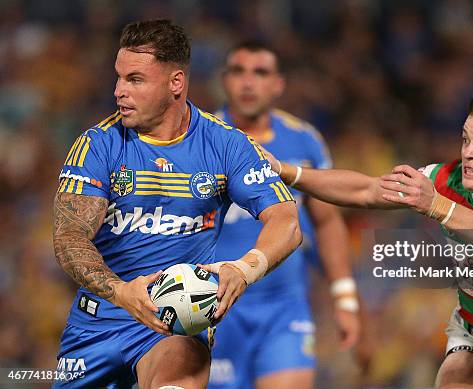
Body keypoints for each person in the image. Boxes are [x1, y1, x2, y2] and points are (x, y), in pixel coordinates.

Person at [266, 89, 473, 388]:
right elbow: (365, 190)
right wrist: (286, 171)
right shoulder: (443, 180)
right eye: (465, 139)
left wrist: (438, 206)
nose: (469, 152)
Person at [52, 20, 301, 389]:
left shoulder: (226, 145)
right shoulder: (97, 145)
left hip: (175, 327)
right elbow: (69, 236)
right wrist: (121, 292)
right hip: (96, 323)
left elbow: (287, 222)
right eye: (118, 78)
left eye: (135, 80)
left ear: (176, 83)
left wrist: (245, 268)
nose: (119, 91)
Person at [207, 41, 361, 389]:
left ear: (278, 84)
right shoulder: (200, 139)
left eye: (260, 73)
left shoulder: (304, 141)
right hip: (212, 308)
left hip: (284, 309)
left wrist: (345, 298)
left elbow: (327, 222)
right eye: (238, 71)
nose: (248, 82)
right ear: (225, 80)